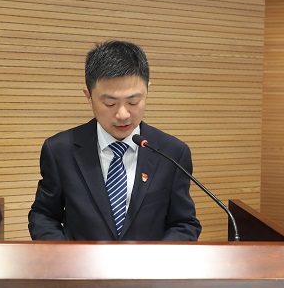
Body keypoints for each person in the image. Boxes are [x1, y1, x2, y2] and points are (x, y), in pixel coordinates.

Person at [28, 40, 201, 241]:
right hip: (81, 262)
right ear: (88, 96)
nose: (123, 114)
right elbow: (43, 216)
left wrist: (157, 257)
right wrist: (68, 256)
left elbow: (184, 223)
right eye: (110, 103)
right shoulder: (59, 150)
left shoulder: (172, 152)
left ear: (148, 91)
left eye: (133, 102)